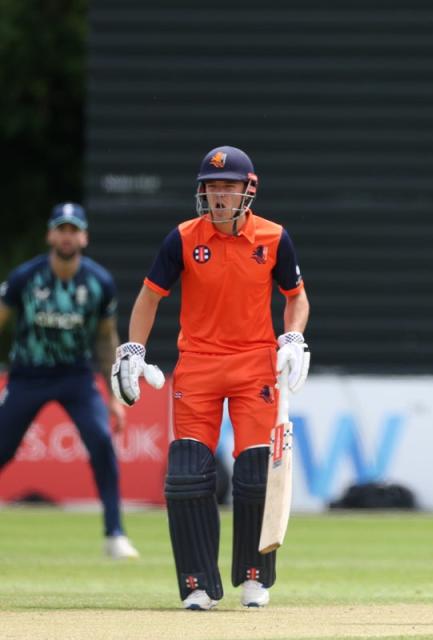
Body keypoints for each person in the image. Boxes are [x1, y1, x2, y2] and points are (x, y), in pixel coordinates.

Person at [111, 146, 310, 610]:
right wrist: (134, 349)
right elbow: (148, 298)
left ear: (248, 189)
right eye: (211, 187)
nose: (218, 196)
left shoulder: (274, 238)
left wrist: (292, 339)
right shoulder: (182, 239)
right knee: (185, 476)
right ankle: (197, 584)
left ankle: (255, 578)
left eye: (227, 186)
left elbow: (296, 298)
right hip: (197, 364)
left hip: (254, 365)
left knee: (256, 476)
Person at [0, 203, 139, 559]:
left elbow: (107, 339)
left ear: (84, 237)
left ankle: (115, 533)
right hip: (28, 374)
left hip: (76, 377)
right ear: (50, 235)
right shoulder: (24, 278)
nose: (67, 236)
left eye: (73, 229)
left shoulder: (99, 282)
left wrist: (114, 396)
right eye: (61, 229)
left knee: (101, 443)